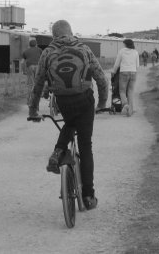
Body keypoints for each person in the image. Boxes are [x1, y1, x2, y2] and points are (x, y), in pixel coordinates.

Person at [28, 20, 108, 210]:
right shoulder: (84, 49)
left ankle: (59, 151)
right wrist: (103, 102)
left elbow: (38, 83)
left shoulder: (47, 52)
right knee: (85, 146)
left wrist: (33, 109)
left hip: (63, 100)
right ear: (71, 32)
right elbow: (101, 78)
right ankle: (89, 196)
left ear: (54, 35)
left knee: (70, 122)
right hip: (84, 99)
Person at [111, 39, 139, 117]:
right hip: (133, 72)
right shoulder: (135, 52)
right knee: (130, 92)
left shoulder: (122, 51)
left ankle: (125, 104)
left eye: (124, 44)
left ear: (126, 44)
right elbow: (137, 65)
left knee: (122, 91)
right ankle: (130, 111)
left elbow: (117, 63)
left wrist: (113, 71)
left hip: (124, 72)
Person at [21, 39, 42, 105]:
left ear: (29, 45)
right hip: (38, 67)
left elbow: (22, 62)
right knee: (37, 84)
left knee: (30, 85)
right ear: (36, 44)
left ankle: (28, 101)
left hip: (29, 67)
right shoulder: (40, 50)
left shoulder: (25, 51)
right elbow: (43, 60)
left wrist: (24, 71)